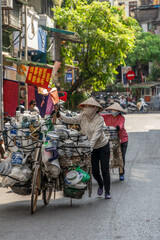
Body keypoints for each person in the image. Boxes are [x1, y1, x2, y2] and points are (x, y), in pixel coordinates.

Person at [59, 97, 111, 199]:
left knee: (105, 170)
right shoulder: (82, 116)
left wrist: (90, 146)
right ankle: (100, 184)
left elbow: (96, 134)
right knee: (95, 171)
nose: (87, 108)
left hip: (102, 146)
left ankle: (107, 191)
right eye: (85, 106)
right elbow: (72, 120)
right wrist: (61, 115)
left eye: (89, 107)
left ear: (95, 108)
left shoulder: (100, 119)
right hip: (90, 147)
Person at [101, 103, 128, 181]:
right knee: (108, 156)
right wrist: (95, 111)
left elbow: (121, 125)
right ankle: (107, 173)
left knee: (121, 157)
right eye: (113, 110)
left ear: (119, 111)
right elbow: (99, 116)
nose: (114, 111)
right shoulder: (107, 116)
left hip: (122, 139)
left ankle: (121, 174)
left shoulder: (121, 118)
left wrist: (118, 127)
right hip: (110, 139)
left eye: (116, 110)